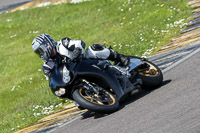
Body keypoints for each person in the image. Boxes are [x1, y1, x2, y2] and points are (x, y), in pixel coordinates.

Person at [32, 33, 130, 82]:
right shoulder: (47, 65)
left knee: (93, 49)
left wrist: (76, 51)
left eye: (40, 50)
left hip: (85, 62)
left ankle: (120, 58)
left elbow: (79, 43)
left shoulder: (62, 43)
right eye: (38, 52)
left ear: (47, 44)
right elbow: (52, 79)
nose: (41, 54)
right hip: (74, 77)